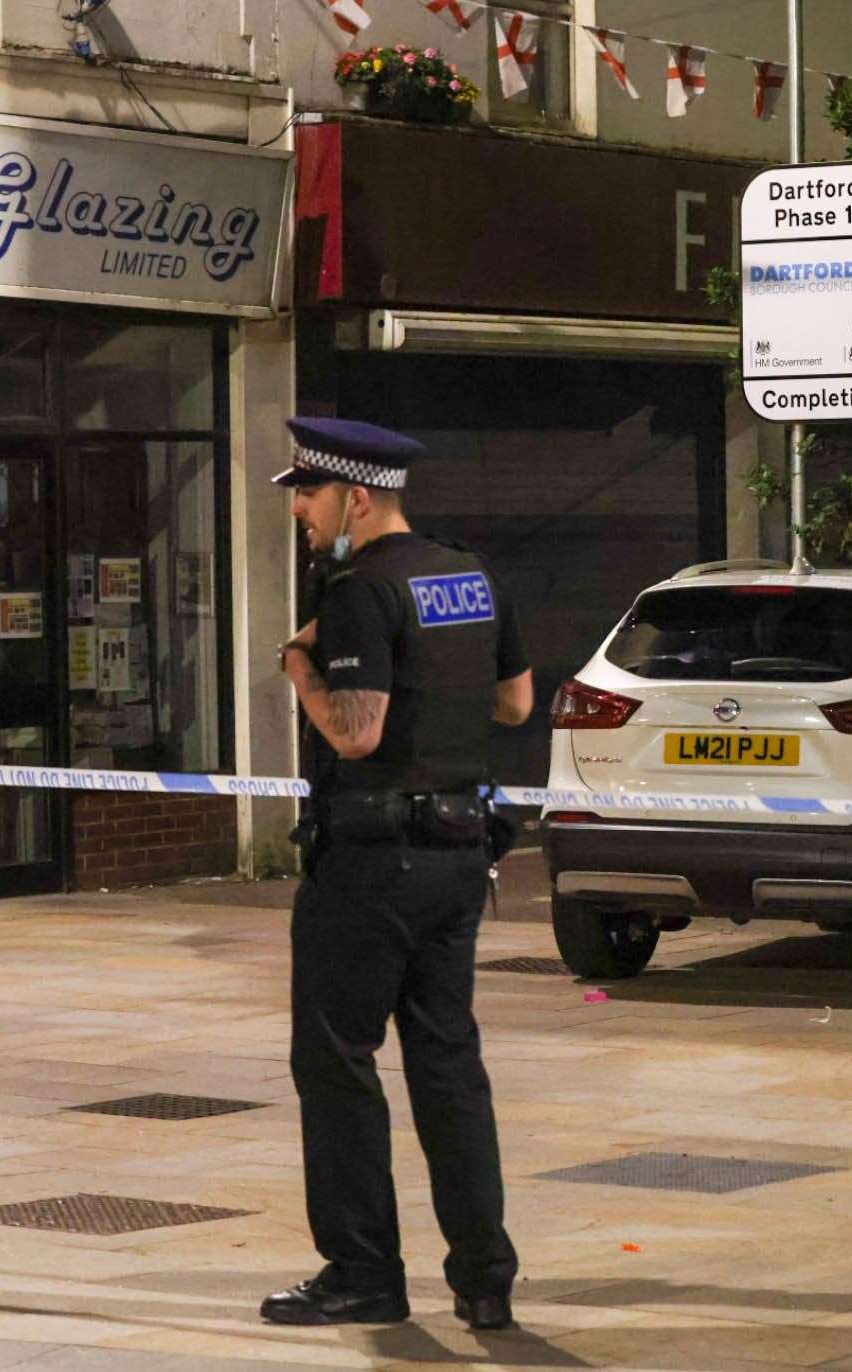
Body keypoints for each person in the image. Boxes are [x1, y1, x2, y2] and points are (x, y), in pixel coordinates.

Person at [261, 417, 534, 1331]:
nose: (299, 509)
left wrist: (302, 672)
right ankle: (484, 1277)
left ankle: (363, 1271)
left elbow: (358, 731)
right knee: (448, 1067)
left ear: (357, 498)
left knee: (337, 1064)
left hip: (372, 864)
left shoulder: (359, 586)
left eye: (309, 492)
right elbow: (514, 701)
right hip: (459, 857)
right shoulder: (468, 573)